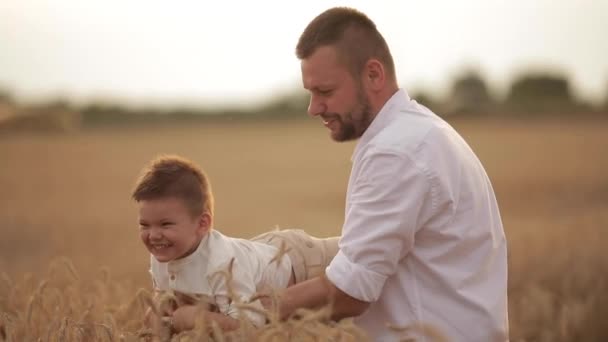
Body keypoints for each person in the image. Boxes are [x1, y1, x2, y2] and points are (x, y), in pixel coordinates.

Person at [272, 7, 509, 341]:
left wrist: (241, 312)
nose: (313, 108)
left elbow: (347, 293)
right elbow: (402, 250)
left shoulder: (395, 152)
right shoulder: (423, 131)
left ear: (373, 75)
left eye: (324, 92)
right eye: (310, 93)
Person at [131, 154, 338, 335]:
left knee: (362, 257)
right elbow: (167, 304)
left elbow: (251, 328)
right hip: (259, 254)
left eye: (165, 224)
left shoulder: (223, 266)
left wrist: (198, 319)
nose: (154, 235)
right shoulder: (164, 253)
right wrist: (159, 313)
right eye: (144, 225)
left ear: (203, 224)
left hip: (303, 262)